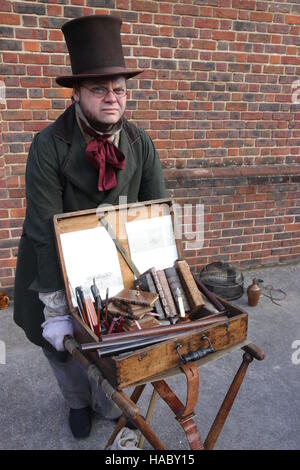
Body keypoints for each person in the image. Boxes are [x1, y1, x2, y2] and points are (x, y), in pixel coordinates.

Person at [13, 15, 166, 439]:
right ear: (77, 93)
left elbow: (156, 218)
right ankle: (77, 402)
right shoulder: (48, 146)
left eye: (118, 89)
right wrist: (57, 310)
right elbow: (44, 229)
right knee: (62, 351)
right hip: (55, 267)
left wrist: (164, 280)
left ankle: (103, 401)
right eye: (99, 89)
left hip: (115, 269)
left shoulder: (140, 142)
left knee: (114, 347)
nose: (112, 97)